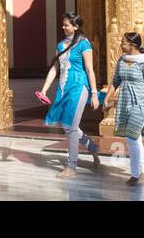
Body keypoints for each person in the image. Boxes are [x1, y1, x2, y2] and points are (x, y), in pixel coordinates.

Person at [39, 12, 101, 179]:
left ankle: (71, 166)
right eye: (63, 24)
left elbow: (89, 69)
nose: (63, 27)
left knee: (70, 126)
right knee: (67, 126)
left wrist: (94, 94)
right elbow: (55, 68)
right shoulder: (61, 45)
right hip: (63, 87)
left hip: (79, 87)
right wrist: (45, 89)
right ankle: (93, 148)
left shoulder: (84, 44)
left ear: (76, 26)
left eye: (66, 24)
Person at [105, 32, 144, 185]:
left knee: (131, 138)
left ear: (133, 45)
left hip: (140, 104)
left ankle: (135, 174)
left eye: (123, 42)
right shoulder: (122, 60)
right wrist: (107, 97)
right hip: (124, 103)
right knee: (135, 138)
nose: (121, 45)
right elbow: (115, 81)